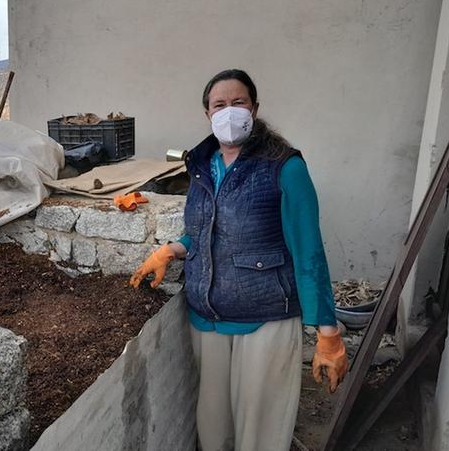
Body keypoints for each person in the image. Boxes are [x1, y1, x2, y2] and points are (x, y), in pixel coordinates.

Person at [129, 69, 347, 451]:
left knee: (259, 431)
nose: (229, 111)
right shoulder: (201, 165)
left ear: (255, 108)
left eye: (238, 103)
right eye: (220, 105)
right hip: (207, 319)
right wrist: (172, 249)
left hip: (265, 318)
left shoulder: (285, 167)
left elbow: (308, 251)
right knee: (213, 430)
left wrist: (327, 333)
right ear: (207, 114)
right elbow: (205, 230)